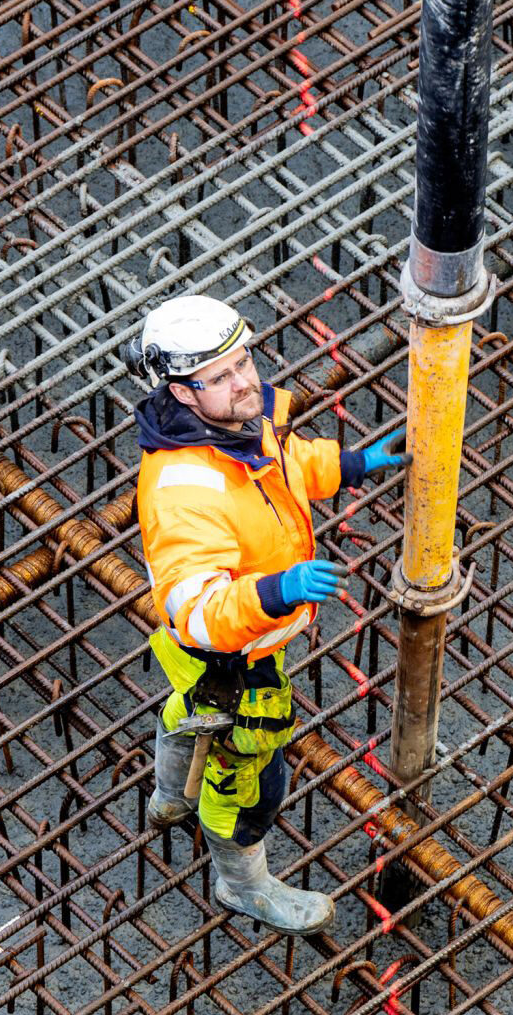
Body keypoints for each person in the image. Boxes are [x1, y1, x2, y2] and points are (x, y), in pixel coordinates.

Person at [124, 295, 406, 935]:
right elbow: (199, 613)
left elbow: (284, 469)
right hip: (228, 655)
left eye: (243, 361)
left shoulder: (236, 425)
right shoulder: (183, 494)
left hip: (243, 643)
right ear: (182, 392)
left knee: (184, 709)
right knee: (248, 779)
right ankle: (241, 885)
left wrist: (350, 464)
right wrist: (278, 591)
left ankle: (169, 796)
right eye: (220, 377)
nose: (244, 381)